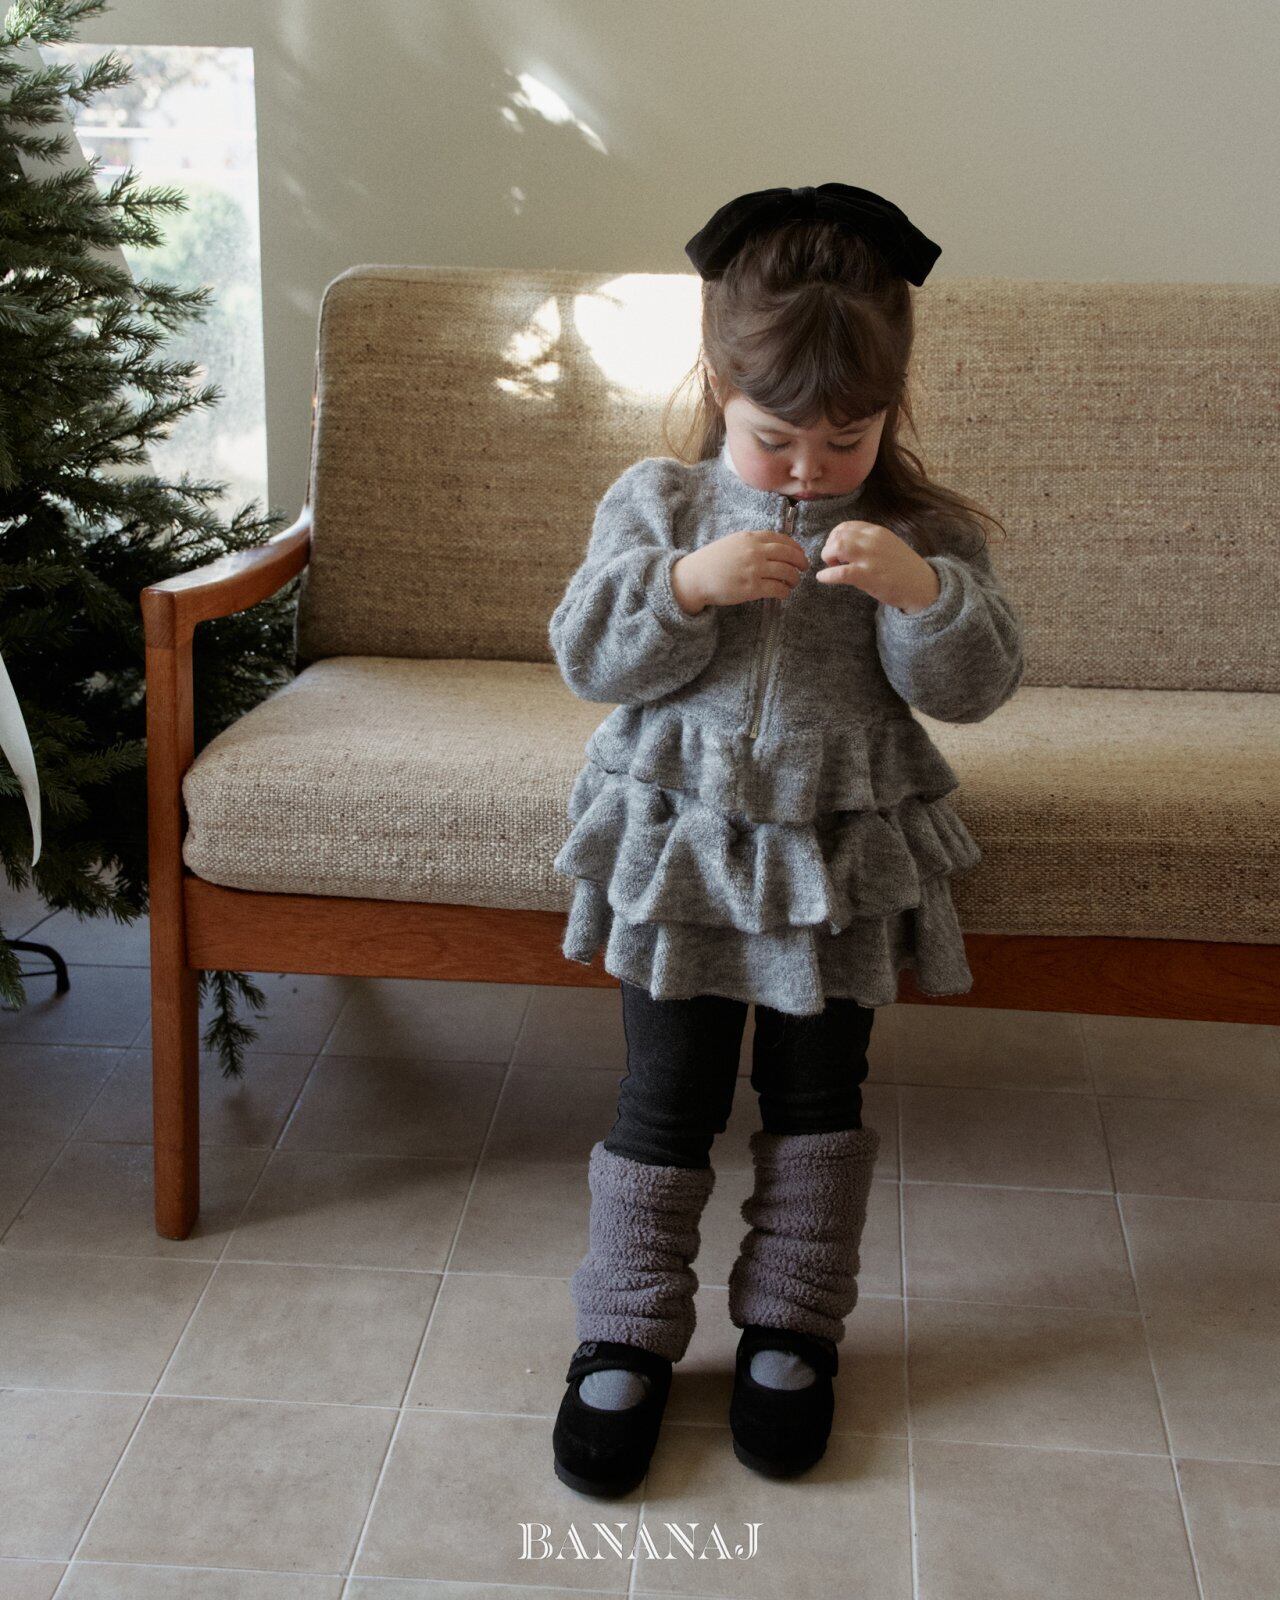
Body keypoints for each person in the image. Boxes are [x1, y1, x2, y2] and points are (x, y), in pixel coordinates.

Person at [545, 183, 1025, 1495]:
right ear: (719, 387)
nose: (808, 469)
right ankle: (625, 1333)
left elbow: (976, 687)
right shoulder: (660, 503)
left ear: (890, 410)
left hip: (836, 859)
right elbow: (588, 654)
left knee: (817, 1100)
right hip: (686, 850)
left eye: (843, 439)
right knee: (664, 1098)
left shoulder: (926, 532)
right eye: (775, 441)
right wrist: (683, 588)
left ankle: (792, 1328)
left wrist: (923, 596)